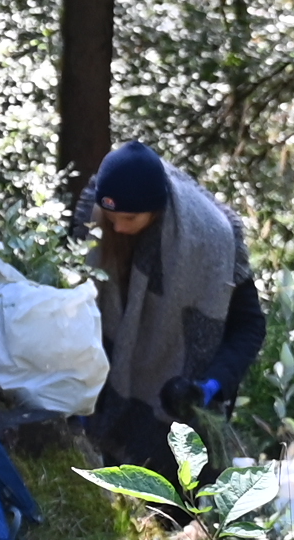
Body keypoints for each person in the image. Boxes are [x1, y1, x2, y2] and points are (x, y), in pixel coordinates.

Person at [85, 141, 266, 469]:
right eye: (111, 216)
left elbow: (250, 327)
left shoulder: (211, 239)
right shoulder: (92, 219)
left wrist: (209, 386)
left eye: (129, 217)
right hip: (103, 392)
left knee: (178, 507)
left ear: (155, 210)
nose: (118, 227)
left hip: (179, 416)